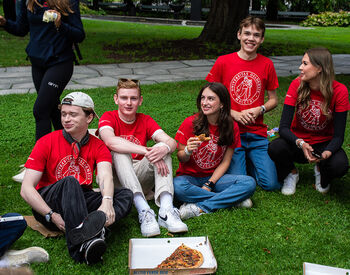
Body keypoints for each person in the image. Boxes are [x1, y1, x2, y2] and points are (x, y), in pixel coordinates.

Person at [20, 92, 133, 264]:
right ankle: (82, 247)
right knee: (70, 182)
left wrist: (107, 201)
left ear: (89, 117)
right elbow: (26, 188)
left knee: (124, 194)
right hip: (49, 204)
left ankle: (90, 229)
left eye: (73, 114)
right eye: (64, 114)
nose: (66, 119)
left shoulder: (98, 146)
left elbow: (105, 177)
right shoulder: (46, 141)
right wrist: (51, 215)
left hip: (78, 200)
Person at [0, 0, 85, 184]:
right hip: (38, 63)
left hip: (60, 62)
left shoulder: (68, 2)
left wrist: (61, 24)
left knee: (40, 110)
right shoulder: (28, 1)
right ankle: (71, 156)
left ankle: (37, 166)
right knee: (53, 111)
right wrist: (5, 23)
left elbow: (79, 35)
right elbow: (22, 29)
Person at [98, 78, 188, 237]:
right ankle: (144, 211)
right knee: (119, 150)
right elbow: (110, 141)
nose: (128, 103)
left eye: (133, 98)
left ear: (140, 101)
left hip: (139, 175)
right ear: (115, 99)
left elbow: (171, 142)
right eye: (124, 98)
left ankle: (166, 211)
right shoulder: (109, 117)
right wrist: (146, 151)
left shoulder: (145, 119)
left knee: (162, 148)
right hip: (116, 181)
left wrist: (164, 148)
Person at [206, 16, 280, 192]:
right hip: (232, 132)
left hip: (257, 133)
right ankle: (244, 160)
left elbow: (274, 100)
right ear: (239, 35)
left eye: (256, 35)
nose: (251, 38)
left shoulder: (267, 64)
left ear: (261, 39)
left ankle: (252, 160)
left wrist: (259, 109)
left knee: (270, 184)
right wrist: (235, 114)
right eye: (247, 33)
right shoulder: (223, 61)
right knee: (239, 180)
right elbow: (210, 97)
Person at [268, 48, 349, 195]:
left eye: (305, 64)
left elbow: (338, 136)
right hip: (298, 143)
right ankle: (291, 173)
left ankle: (321, 169)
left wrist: (326, 153)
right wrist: (301, 143)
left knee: (340, 166)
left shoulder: (340, 91)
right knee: (275, 147)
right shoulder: (296, 84)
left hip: (323, 145)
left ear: (319, 68)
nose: (300, 67)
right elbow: (284, 127)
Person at [173, 82, 256, 220]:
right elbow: (180, 157)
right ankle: (232, 200)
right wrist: (187, 150)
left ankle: (198, 207)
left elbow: (226, 161)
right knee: (177, 187)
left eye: (211, 99)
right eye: (203, 98)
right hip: (190, 178)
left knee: (249, 183)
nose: (205, 103)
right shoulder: (190, 123)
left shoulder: (231, 126)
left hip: (215, 178)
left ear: (222, 104)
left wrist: (210, 183)